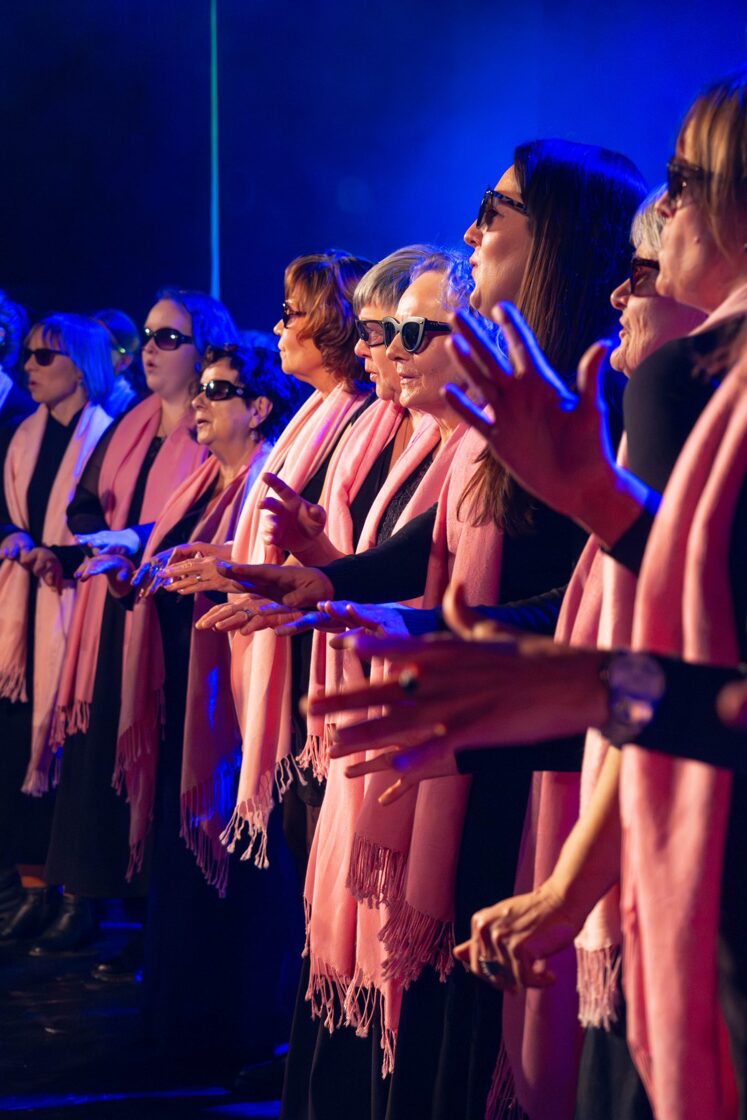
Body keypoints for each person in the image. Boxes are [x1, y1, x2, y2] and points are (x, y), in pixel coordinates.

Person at [315, 69, 747, 1120]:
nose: (667, 205)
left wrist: (600, 686)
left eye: (687, 178)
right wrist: (600, 504)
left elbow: (691, 661)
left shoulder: (683, 380)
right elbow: (703, 611)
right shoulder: (699, 376)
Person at [92, 342, 300, 1070]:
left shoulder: (268, 483)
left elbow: (266, 579)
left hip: (232, 706)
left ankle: (229, 1029)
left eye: (218, 391)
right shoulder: (202, 482)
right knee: (182, 862)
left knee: (236, 869)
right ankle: (177, 1020)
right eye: (201, 390)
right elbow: (172, 563)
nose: (201, 404)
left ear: (259, 407)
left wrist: (208, 577)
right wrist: (134, 572)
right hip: (185, 694)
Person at [35, 290, 239, 959]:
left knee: (156, 750)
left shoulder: (212, 428)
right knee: (100, 754)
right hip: (114, 602)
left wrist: (137, 541)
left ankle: (145, 912)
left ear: (203, 349)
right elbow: (84, 503)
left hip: (169, 612)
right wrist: (108, 540)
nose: (150, 348)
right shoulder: (133, 421)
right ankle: (91, 895)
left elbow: (195, 520)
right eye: (149, 335)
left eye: (169, 338)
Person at [0, 314, 113, 943]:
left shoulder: (106, 435)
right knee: (18, 745)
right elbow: (6, 512)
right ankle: (34, 889)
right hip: (25, 604)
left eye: (46, 356)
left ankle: (77, 896)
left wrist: (58, 556)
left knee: (71, 752)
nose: (29, 366)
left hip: (78, 602)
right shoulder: (22, 434)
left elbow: (109, 524)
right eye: (30, 355)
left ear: (82, 366)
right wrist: (16, 538)